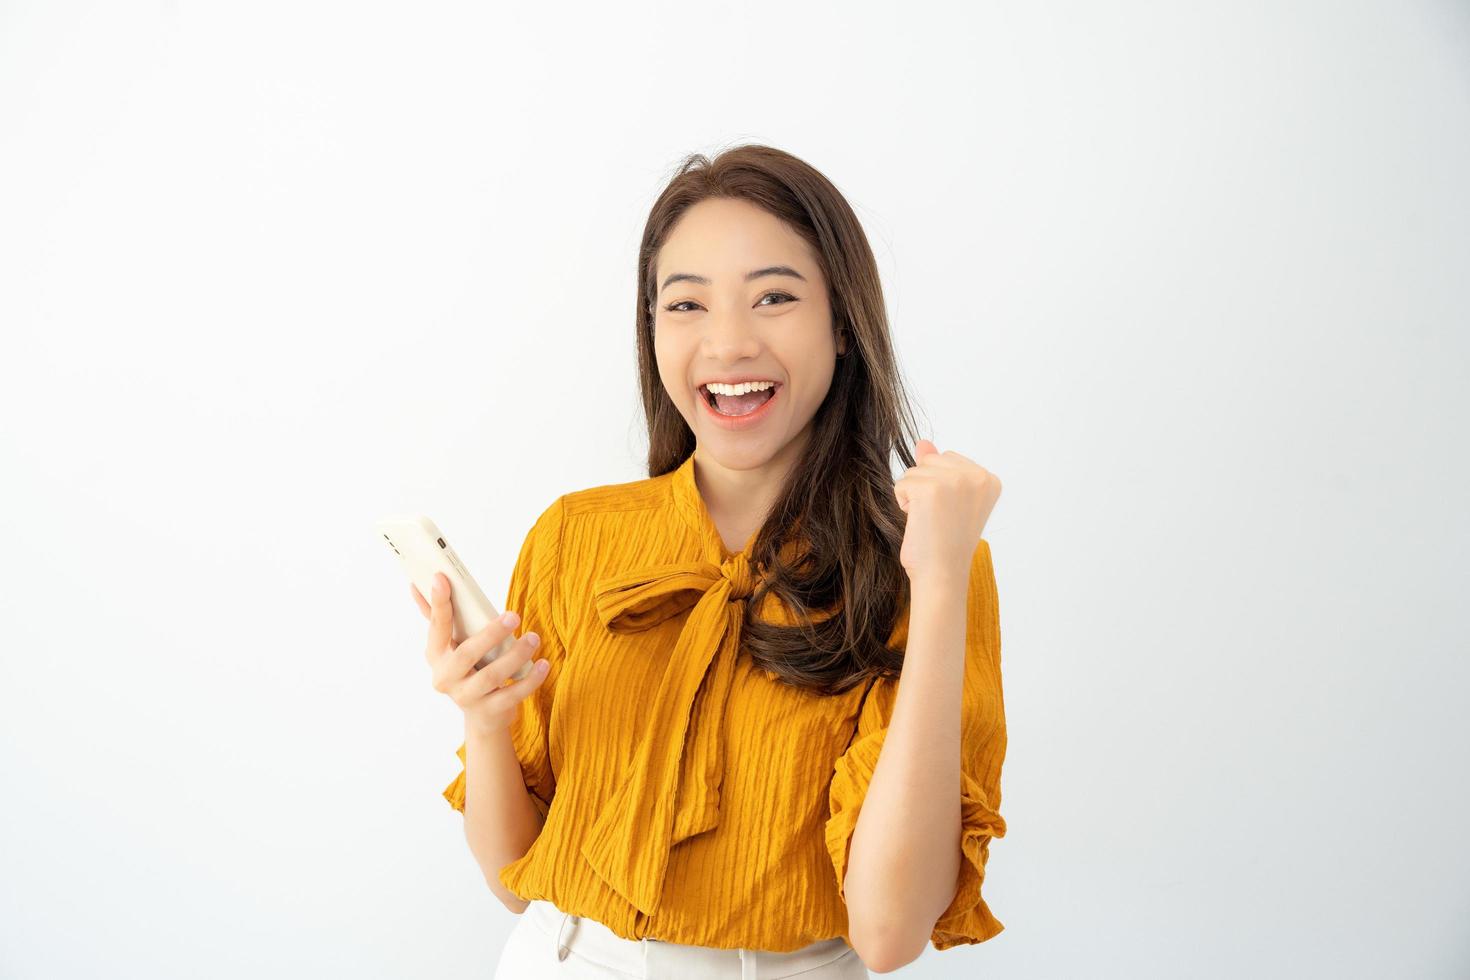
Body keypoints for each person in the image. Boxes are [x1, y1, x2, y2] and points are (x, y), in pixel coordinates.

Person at [413, 144, 1008, 978]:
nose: (727, 344)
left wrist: (940, 581)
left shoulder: (921, 562)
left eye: (774, 297)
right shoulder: (574, 538)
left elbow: (889, 933)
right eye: (685, 305)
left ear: (843, 323)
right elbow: (516, 879)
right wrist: (486, 720)